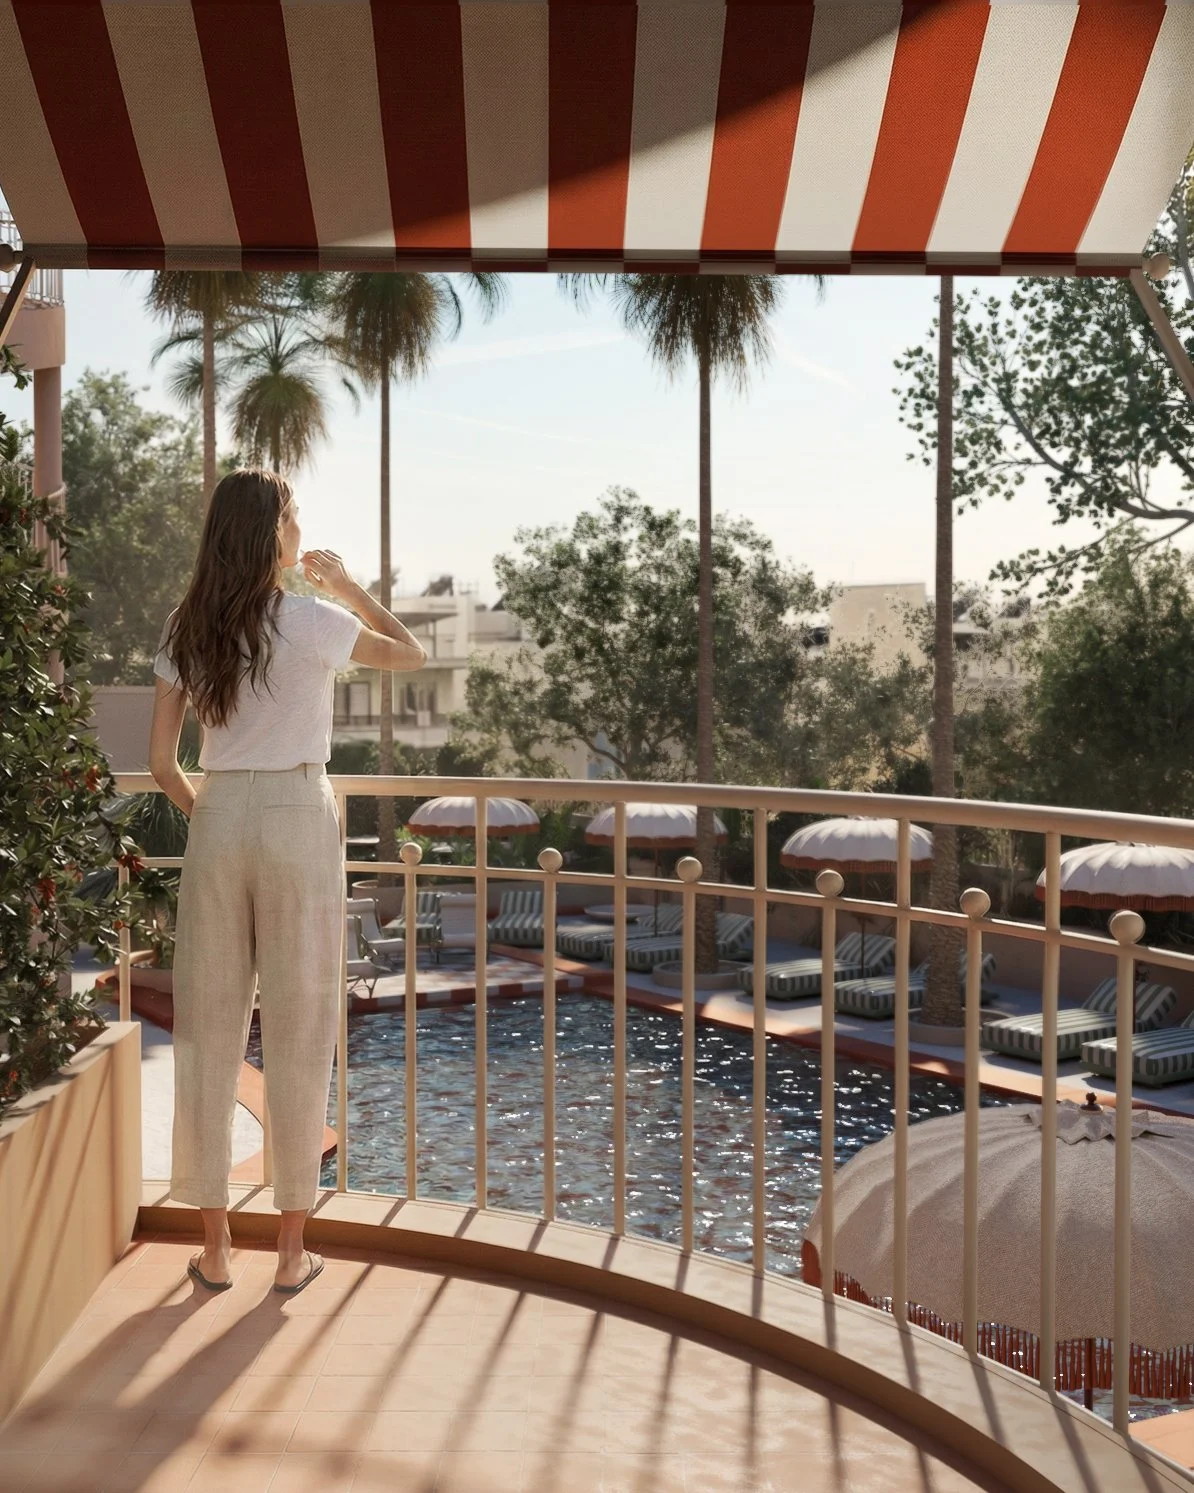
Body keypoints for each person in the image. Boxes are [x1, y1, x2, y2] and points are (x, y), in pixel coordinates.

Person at [148, 469, 425, 1293]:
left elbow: (163, 762)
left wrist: (215, 806)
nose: (302, 529)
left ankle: (216, 1245)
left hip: (220, 813)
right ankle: (294, 1250)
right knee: (302, 1020)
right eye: (295, 515)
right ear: (274, 532)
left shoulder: (185, 624)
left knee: (207, 1022)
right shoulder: (313, 619)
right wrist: (351, 588)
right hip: (301, 814)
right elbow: (408, 653)